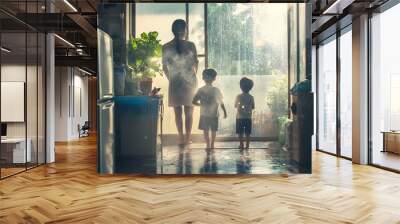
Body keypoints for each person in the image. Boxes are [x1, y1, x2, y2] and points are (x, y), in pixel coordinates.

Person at [162, 19, 199, 146]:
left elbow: (164, 67)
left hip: (175, 81)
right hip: (189, 81)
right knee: (189, 112)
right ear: (184, 30)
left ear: (173, 30)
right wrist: (193, 77)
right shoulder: (191, 45)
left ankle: (181, 138)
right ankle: (187, 139)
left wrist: (171, 78)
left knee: (177, 113)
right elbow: (196, 63)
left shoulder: (166, 47)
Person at [193, 69, 227, 150]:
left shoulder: (201, 90)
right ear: (214, 78)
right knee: (213, 130)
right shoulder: (216, 90)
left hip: (205, 114)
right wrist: (224, 112)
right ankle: (211, 144)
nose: (207, 79)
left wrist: (201, 104)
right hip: (214, 114)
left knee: (206, 130)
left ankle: (208, 144)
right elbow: (221, 102)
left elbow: (194, 101)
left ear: (203, 78)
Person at [235, 77, 255, 150]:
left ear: (240, 87)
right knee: (247, 132)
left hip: (239, 117)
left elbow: (235, 105)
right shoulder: (251, 97)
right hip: (248, 117)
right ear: (250, 88)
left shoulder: (238, 96)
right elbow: (253, 106)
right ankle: (247, 145)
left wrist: (240, 106)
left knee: (240, 132)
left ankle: (241, 145)